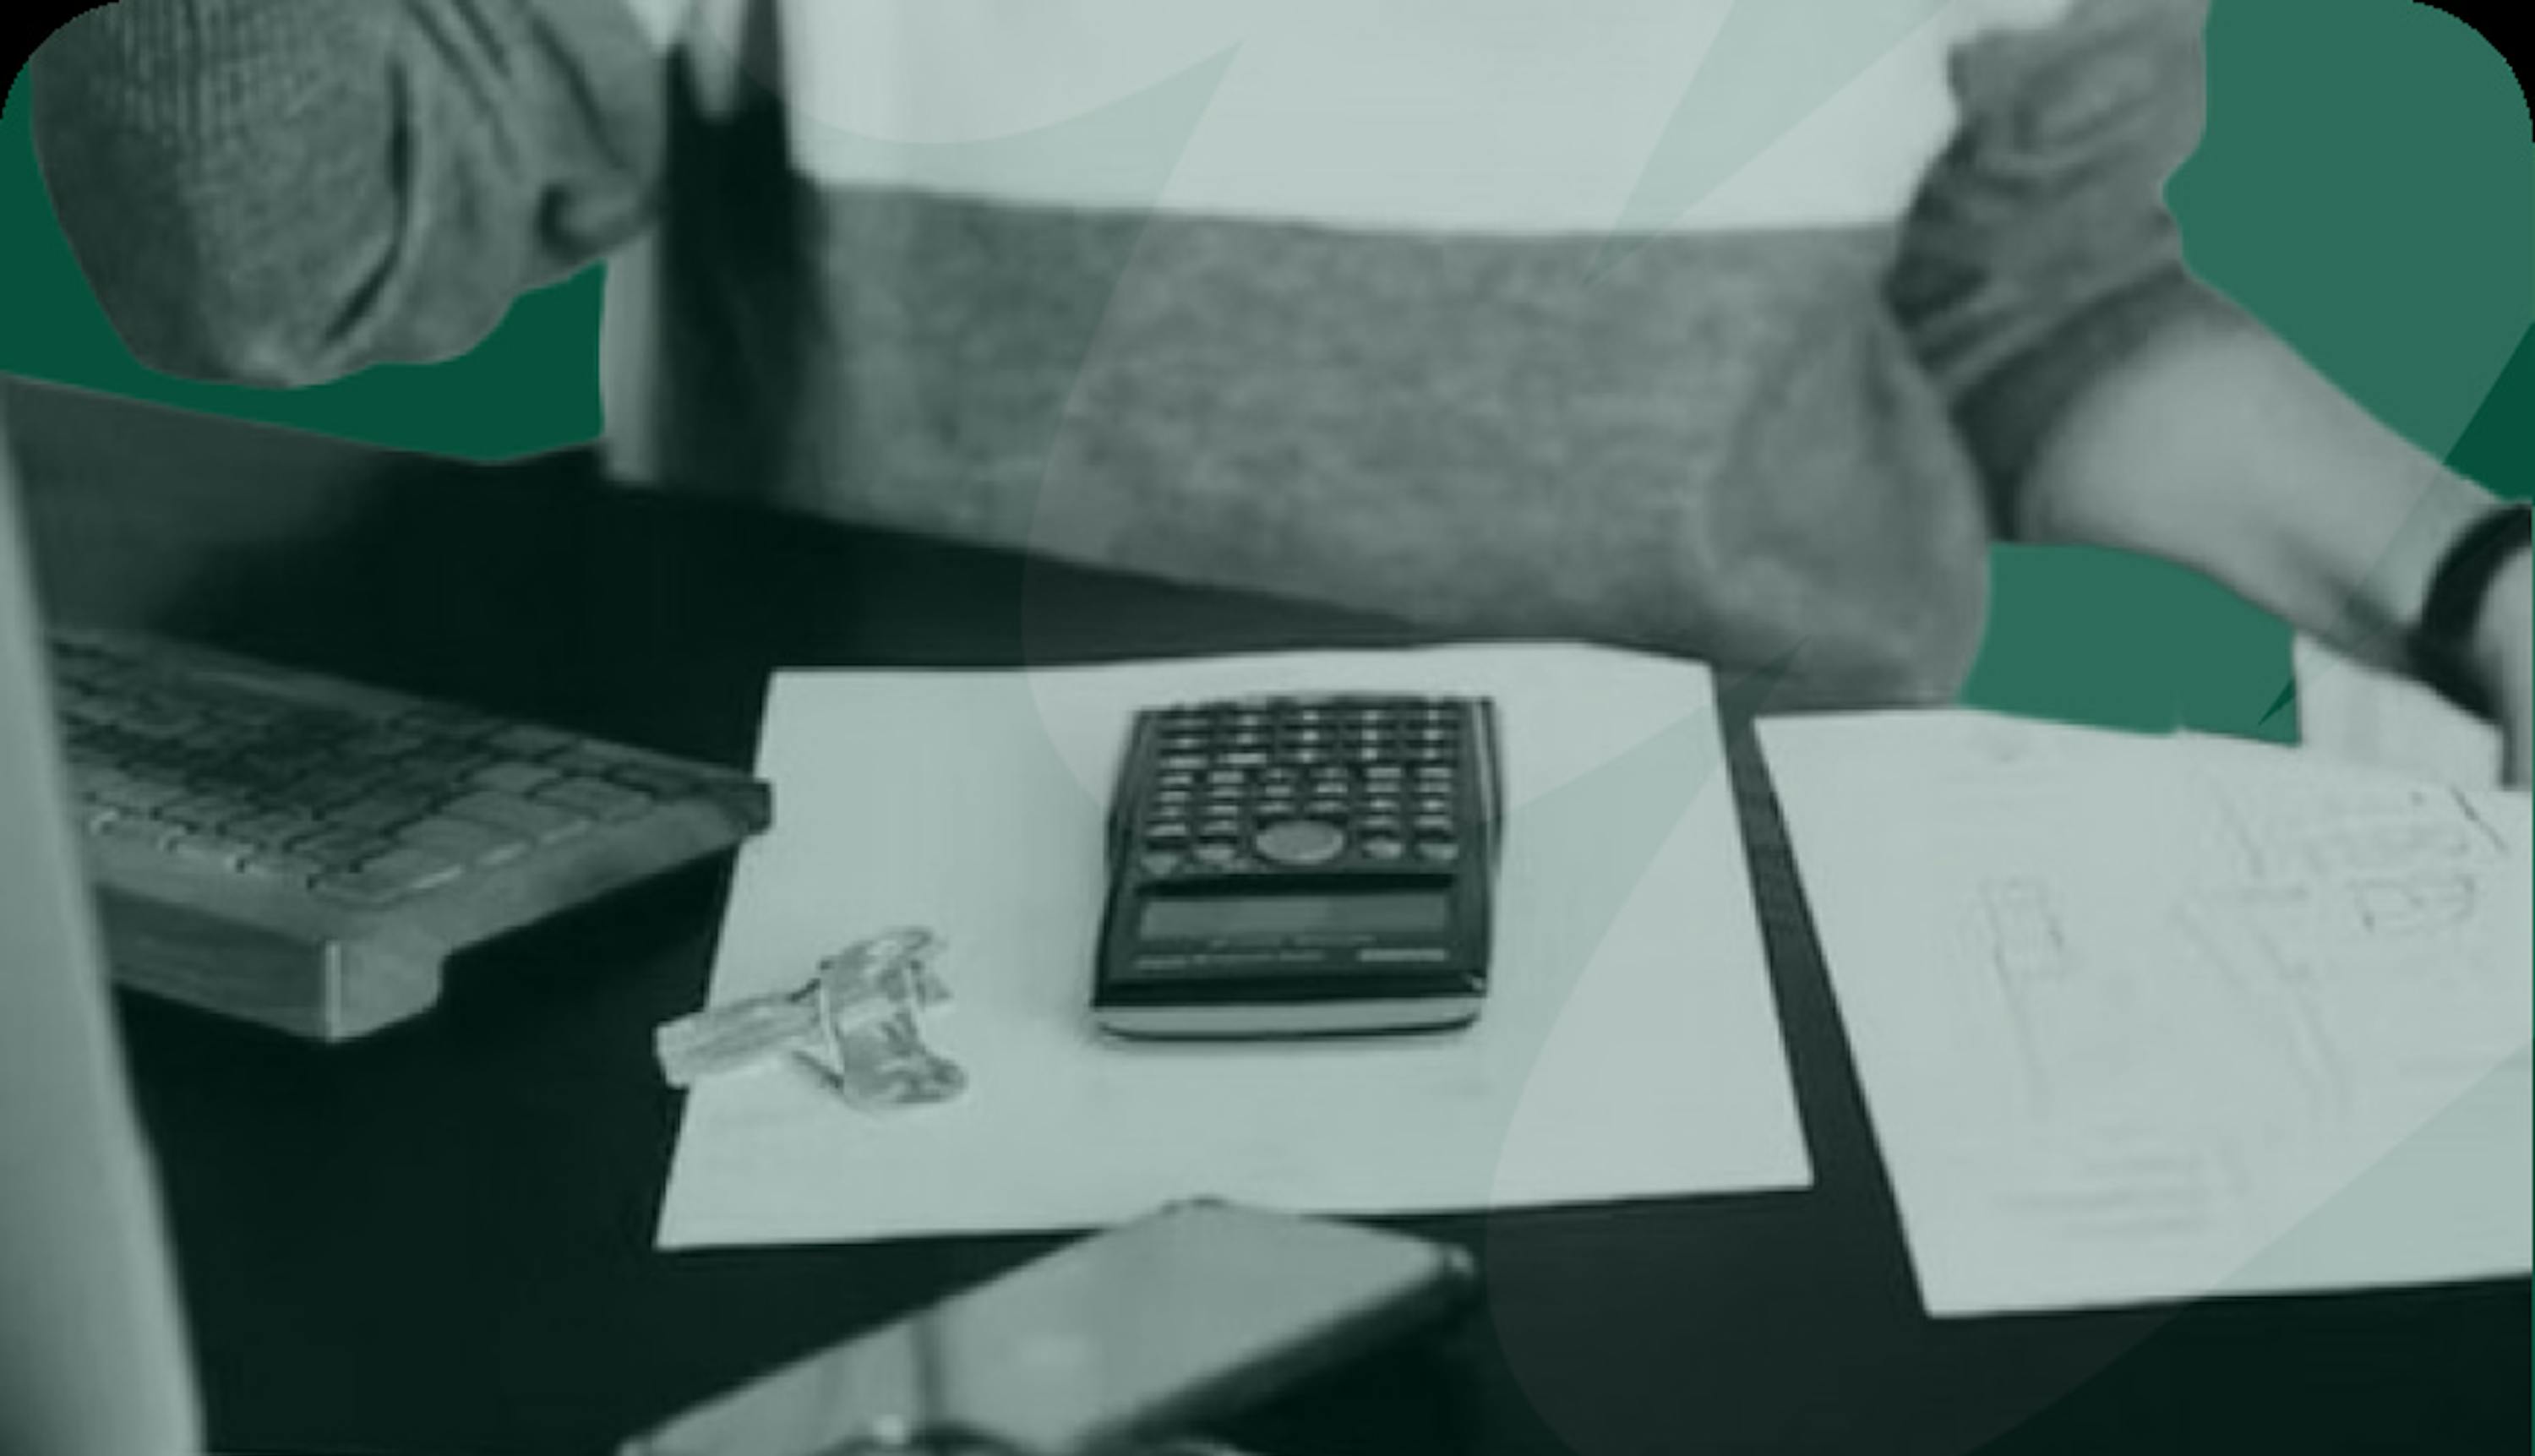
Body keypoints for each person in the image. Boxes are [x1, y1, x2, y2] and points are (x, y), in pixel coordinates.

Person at [27, 0, 2531, 781]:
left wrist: (2474, 577)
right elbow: (278, 262)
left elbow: (2028, 304)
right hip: (865, 898)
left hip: (1731, 875)